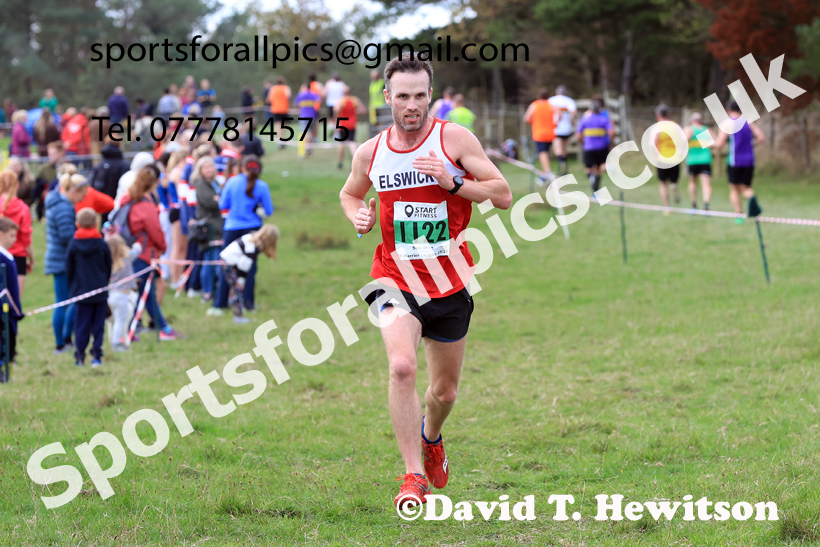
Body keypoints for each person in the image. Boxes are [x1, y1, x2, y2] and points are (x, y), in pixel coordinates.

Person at [339, 54, 512, 510]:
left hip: (448, 278)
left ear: (430, 95)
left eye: (419, 95)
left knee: (444, 391)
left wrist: (453, 181)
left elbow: (503, 194)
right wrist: (358, 216)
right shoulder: (371, 152)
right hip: (392, 276)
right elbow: (350, 192)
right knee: (401, 367)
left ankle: (431, 437)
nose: (411, 104)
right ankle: (413, 473)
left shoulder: (453, 138)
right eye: (403, 96)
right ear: (387, 97)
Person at [120, 168, 184, 340]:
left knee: (142, 293)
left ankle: (134, 329)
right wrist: (162, 246)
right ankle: (159, 328)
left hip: (130, 252)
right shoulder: (144, 206)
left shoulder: (128, 201)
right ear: (152, 184)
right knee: (144, 293)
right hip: (143, 254)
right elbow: (155, 230)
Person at [210, 155, 273, 317]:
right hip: (253, 231)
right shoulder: (262, 186)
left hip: (232, 228)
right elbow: (269, 211)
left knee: (227, 265)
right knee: (249, 268)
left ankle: (220, 303)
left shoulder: (232, 182)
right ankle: (248, 303)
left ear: (242, 167)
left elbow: (223, 205)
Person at [45, 171, 89, 353]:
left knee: (63, 301)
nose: (81, 200)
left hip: (59, 258)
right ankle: (62, 341)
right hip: (63, 261)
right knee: (66, 302)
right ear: (74, 190)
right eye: (81, 195)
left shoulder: (57, 203)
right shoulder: (64, 207)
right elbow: (66, 236)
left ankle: (63, 340)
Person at [66, 208, 112, 367]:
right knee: (98, 325)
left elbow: (69, 268)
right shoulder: (102, 243)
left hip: (80, 292)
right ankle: (96, 355)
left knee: (81, 325)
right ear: (96, 223)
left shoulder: (73, 244)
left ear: (77, 224)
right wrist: (103, 284)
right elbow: (108, 266)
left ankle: (80, 356)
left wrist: (72, 288)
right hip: (99, 292)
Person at [713, 100, 764, 223]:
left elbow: (719, 144)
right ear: (740, 110)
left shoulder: (728, 123)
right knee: (746, 188)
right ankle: (751, 197)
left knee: (734, 189)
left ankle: (739, 215)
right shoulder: (748, 122)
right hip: (749, 160)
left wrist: (710, 142)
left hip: (734, 161)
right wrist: (752, 145)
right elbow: (761, 138)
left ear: (729, 110)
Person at [220, 224, 279, 323]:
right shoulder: (252, 246)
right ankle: (238, 317)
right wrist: (241, 280)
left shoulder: (252, 239)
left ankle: (237, 311)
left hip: (229, 262)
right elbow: (244, 264)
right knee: (237, 289)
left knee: (236, 289)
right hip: (229, 264)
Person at [192, 156, 222, 302]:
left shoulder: (215, 183)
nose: (209, 169)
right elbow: (211, 202)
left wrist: (219, 199)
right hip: (208, 229)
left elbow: (221, 200)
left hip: (218, 228)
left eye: (211, 166)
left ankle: (214, 290)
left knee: (216, 261)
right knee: (209, 261)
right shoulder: (201, 185)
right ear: (200, 170)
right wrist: (218, 200)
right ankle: (207, 292)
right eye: (206, 167)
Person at [0, 170, 34, 296]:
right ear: (17, 185)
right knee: (15, 302)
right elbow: (26, 237)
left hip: (2, 254)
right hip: (18, 257)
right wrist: (31, 258)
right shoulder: (22, 207)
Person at [106, 234, 140, 351]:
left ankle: (114, 340)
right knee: (120, 321)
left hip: (111, 295)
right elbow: (137, 251)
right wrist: (137, 244)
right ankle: (116, 343)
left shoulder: (108, 262)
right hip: (122, 296)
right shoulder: (127, 258)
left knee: (114, 321)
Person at [575, 99, 614, 193]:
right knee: (601, 167)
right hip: (602, 147)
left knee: (588, 169)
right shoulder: (604, 119)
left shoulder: (585, 120)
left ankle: (594, 182)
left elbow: (578, 135)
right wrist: (610, 142)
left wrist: (583, 142)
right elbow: (612, 132)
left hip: (588, 147)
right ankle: (596, 188)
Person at [0, 218, 24, 365]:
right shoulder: (2, 257)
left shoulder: (8, 256)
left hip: (10, 309)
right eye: (11, 235)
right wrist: (15, 310)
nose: (14, 240)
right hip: (4, 310)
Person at [89, 138, 130, 224]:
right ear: (119, 145)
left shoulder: (99, 164)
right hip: (119, 202)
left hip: (102, 203)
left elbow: (92, 183)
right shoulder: (123, 164)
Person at [524, 89, 556, 184]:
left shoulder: (535, 105)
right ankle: (544, 176)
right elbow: (559, 116)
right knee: (546, 153)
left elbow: (526, 118)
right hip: (551, 132)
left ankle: (548, 172)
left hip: (539, 133)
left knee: (542, 153)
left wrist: (533, 121)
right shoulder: (551, 105)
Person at [684, 112, 714, 210]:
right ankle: (706, 204)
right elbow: (715, 144)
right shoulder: (705, 130)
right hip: (705, 159)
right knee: (706, 184)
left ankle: (694, 204)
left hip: (692, 160)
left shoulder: (689, 129)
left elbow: (683, 140)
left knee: (692, 182)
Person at [653, 105, 681, 210]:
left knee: (663, 184)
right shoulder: (675, 126)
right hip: (675, 158)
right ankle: (673, 186)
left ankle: (667, 206)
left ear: (657, 115)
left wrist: (655, 153)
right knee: (673, 181)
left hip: (662, 159)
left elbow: (653, 144)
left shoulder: (657, 127)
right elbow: (682, 140)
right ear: (668, 114)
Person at [334, 86, 366, 169]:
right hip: (352, 124)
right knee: (352, 142)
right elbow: (363, 110)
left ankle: (340, 162)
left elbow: (336, 109)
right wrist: (356, 111)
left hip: (343, 124)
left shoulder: (341, 100)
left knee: (341, 144)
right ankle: (356, 161)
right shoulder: (354, 100)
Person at [548, 85, 577, 176]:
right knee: (564, 150)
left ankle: (562, 164)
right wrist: (571, 120)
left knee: (558, 150)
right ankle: (564, 166)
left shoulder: (552, 100)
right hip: (567, 128)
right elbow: (574, 113)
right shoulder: (569, 101)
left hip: (556, 128)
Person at [34, 141, 65, 220]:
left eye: (53, 153)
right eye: (49, 154)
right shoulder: (44, 169)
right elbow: (36, 187)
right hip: (49, 203)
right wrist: (43, 192)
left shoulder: (68, 167)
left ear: (61, 153)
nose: (50, 156)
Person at [294, 83, 320, 154]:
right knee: (310, 132)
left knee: (306, 132)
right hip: (313, 116)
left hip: (304, 116)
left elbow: (296, 104)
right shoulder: (313, 94)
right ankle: (309, 148)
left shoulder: (301, 94)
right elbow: (318, 100)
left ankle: (308, 148)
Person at [268, 78, 291, 147]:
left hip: (276, 109)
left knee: (277, 124)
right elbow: (289, 96)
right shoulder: (286, 88)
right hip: (284, 109)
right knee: (284, 124)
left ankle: (279, 140)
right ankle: (283, 139)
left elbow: (269, 99)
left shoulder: (273, 89)